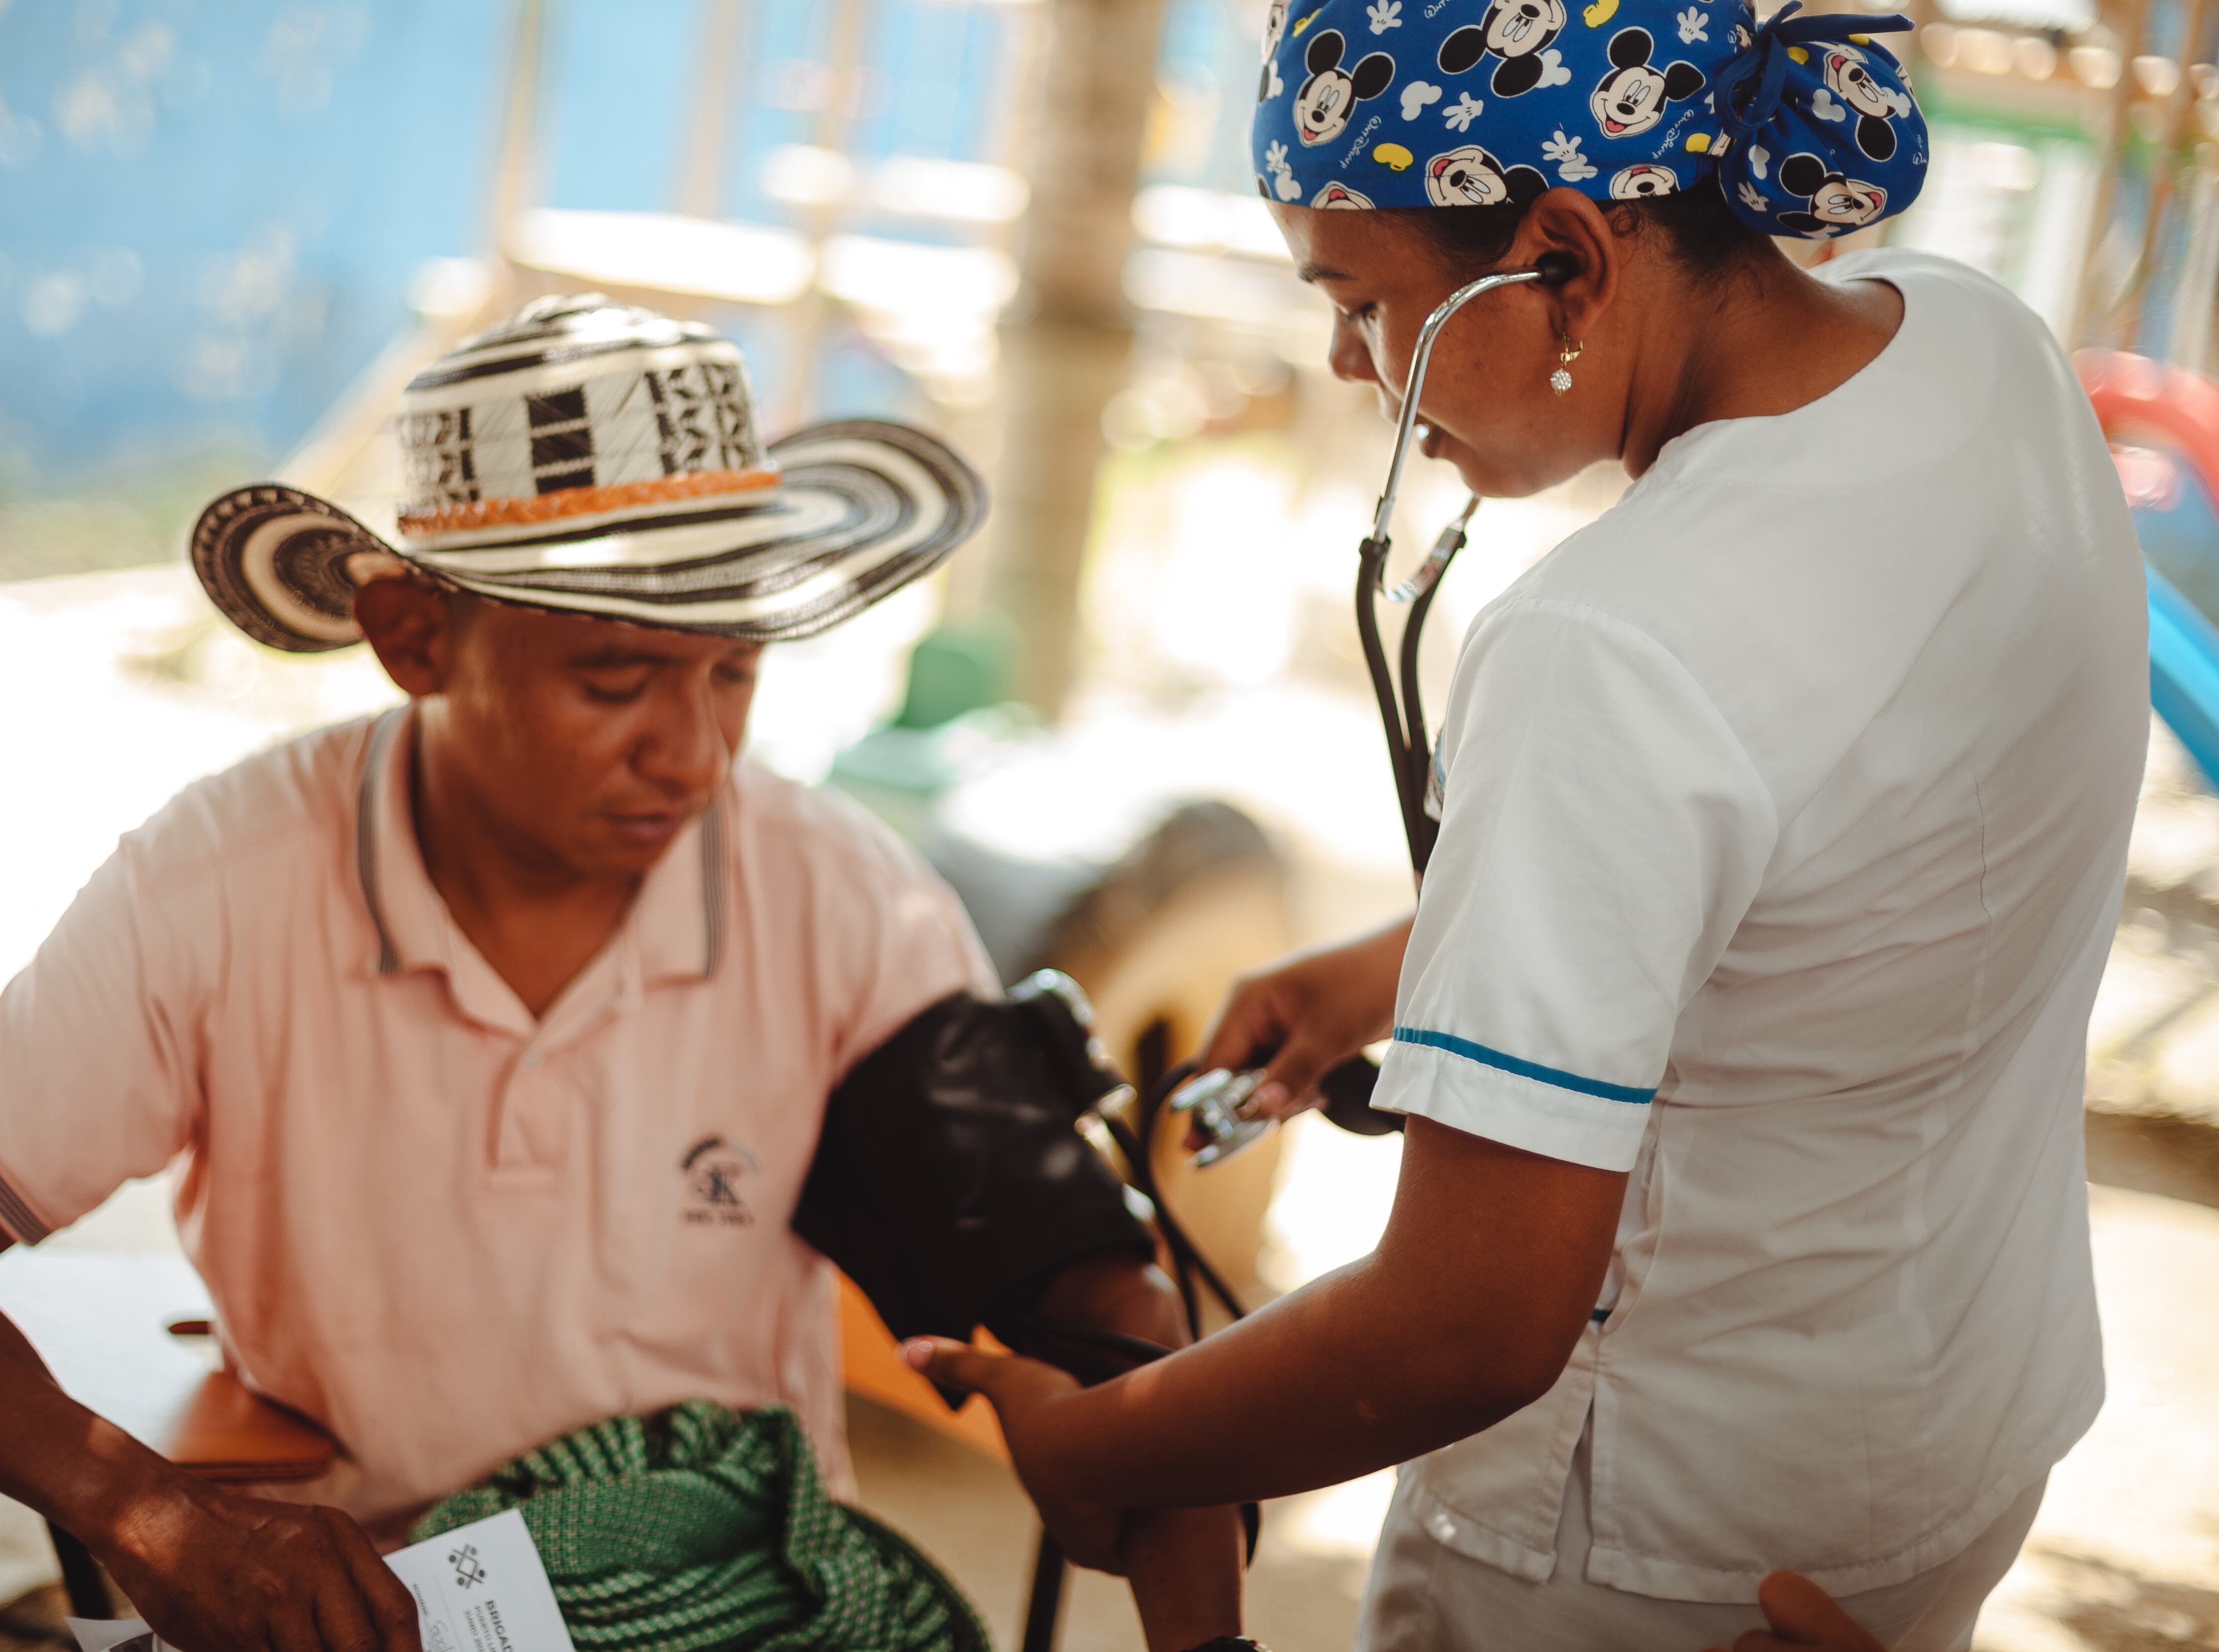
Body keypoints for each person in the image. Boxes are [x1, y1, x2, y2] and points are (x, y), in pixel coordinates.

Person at [904, 3, 2142, 1650]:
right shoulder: (1979, 347)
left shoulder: (1605, 641)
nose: (1351, 367)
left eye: (1363, 303)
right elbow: (1862, 838)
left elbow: (1467, 1326)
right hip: (1946, 1436)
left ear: (1563, 257)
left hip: (1649, 1546)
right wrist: (1427, 958)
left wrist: (1099, 1442)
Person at [0, 296, 1245, 1652]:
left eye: (732, 672)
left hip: (723, 1592)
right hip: (364, 1606)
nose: (692, 753)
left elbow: (1087, 1290)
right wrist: (150, 1514)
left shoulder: (835, 898)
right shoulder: (219, 886)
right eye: (615, 680)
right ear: (415, 638)